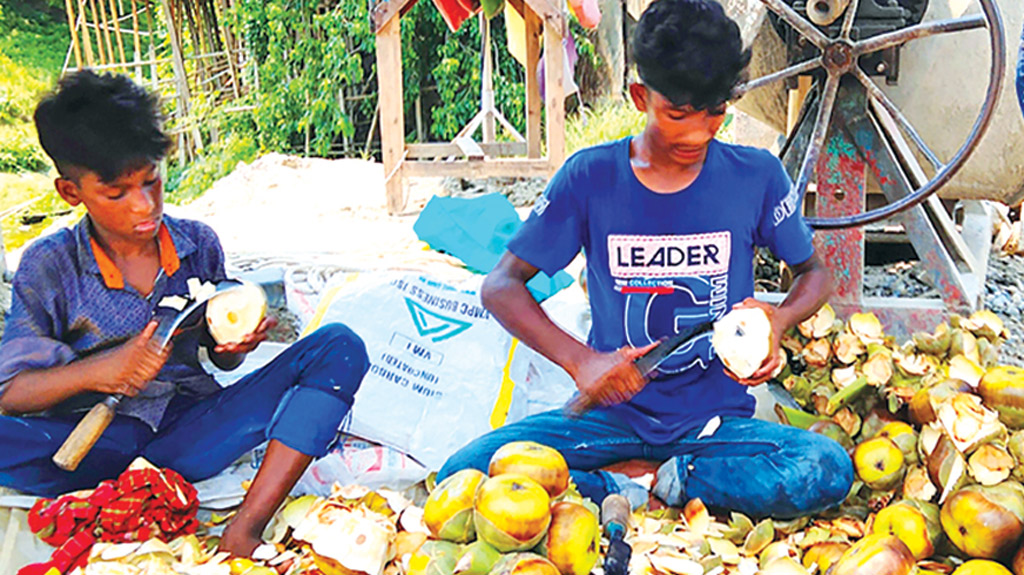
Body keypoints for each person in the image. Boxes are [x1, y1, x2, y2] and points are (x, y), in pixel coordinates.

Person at [438, 0, 853, 518]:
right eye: (678, 114)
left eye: (715, 112)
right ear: (640, 96)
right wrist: (580, 361)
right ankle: (645, 480)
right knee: (466, 471)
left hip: (714, 425)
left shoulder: (757, 176)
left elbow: (814, 273)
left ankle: (652, 481)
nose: (698, 133)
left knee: (825, 467)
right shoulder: (590, 177)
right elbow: (501, 286)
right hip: (611, 417)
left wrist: (781, 318)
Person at [0, 70, 369, 556]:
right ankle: (111, 496)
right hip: (84, 447)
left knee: (339, 347)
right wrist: (103, 373)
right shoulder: (49, 265)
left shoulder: (198, 245)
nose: (144, 206)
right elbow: (12, 392)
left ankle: (245, 528)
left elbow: (223, 362)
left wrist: (232, 346)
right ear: (71, 192)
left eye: (151, 181)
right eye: (117, 193)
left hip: (188, 439)